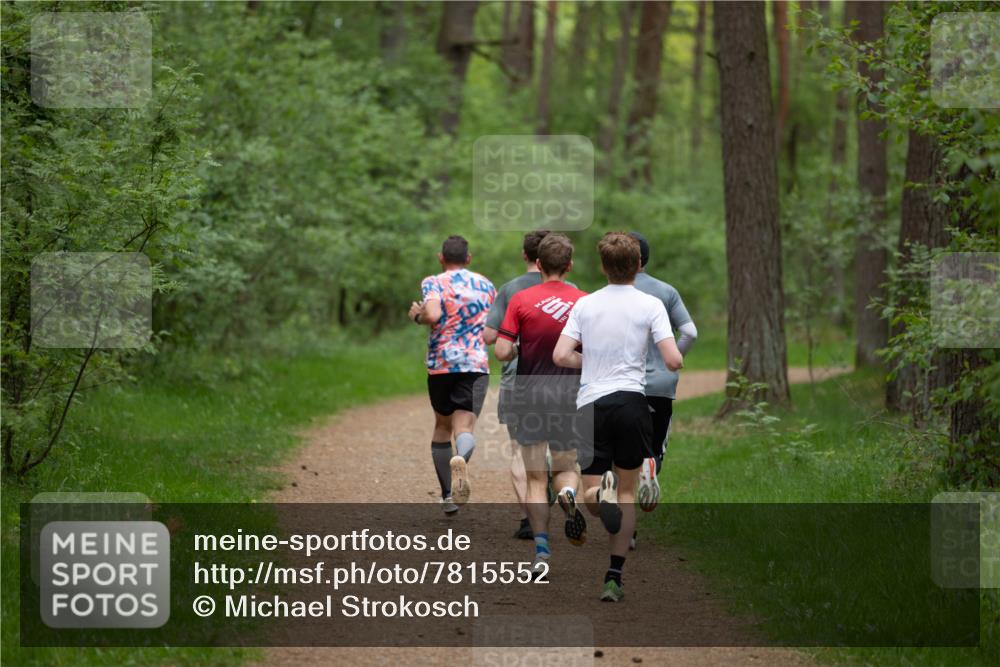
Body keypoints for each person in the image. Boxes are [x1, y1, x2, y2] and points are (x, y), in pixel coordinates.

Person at [553, 232, 683, 602]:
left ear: (603, 266)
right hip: (632, 403)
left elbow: (561, 356)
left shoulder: (585, 305)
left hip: (591, 404)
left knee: (594, 495)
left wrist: (590, 361)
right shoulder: (650, 304)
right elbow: (673, 359)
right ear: (638, 265)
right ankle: (613, 578)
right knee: (627, 492)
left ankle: (595, 495)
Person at [494, 234, 588, 577]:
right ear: (569, 265)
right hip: (570, 395)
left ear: (537, 263)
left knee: (535, 477)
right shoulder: (585, 302)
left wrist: (522, 346)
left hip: (529, 394)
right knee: (565, 466)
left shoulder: (520, 299)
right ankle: (566, 492)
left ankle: (542, 550)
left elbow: (502, 352)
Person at [410, 236, 496, 514]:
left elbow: (432, 314)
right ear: (468, 259)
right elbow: (493, 328)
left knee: (442, 427)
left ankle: (448, 496)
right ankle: (460, 459)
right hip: (475, 364)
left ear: (441, 258)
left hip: (442, 364)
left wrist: (417, 315)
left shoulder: (433, 281)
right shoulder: (486, 285)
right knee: (464, 429)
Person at [629, 232, 698, 537]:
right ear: (645, 258)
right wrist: (672, 359)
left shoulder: (608, 293)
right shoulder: (666, 291)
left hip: (623, 384)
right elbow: (690, 332)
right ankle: (649, 467)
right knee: (654, 448)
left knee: (622, 453)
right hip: (660, 385)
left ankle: (626, 528)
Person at [483, 230, 550, 540]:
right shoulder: (572, 289)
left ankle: (528, 519)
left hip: (517, 379)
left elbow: (489, 337)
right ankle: (559, 488)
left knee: (519, 451)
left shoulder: (510, 290)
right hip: (560, 378)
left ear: (526, 256)